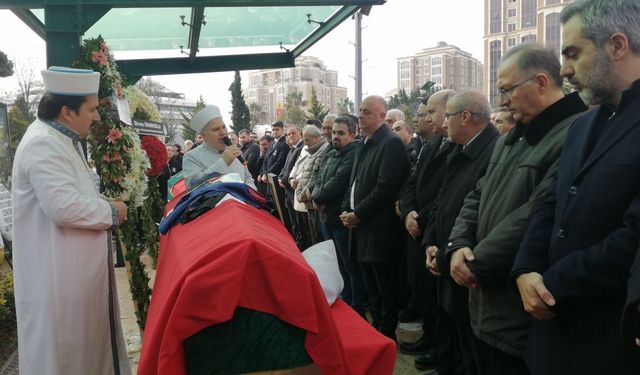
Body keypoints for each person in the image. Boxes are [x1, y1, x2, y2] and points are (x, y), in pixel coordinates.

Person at [512, 1, 640, 374]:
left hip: (608, 340)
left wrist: (550, 284)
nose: (564, 71)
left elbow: (633, 236)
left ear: (617, 45)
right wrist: (525, 269)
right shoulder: (582, 125)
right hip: (551, 333)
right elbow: (550, 201)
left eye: (572, 54)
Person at [446, 43, 587, 375]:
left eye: (507, 90)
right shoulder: (513, 138)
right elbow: (476, 194)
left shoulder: (575, 133)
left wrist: (475, 263)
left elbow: (536, 214)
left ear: (540, 82)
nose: (502, 101)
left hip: (516, 310)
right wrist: (458, 246)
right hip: (483, 302)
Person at [12, 66, 130, 375]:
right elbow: (62, 206)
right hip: (57, 284)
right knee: (66, 361)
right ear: (67, 111)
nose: (96, 117)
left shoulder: (58, 138)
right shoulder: (43, 143)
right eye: (91, 109)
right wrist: (111, 212)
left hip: (70, 277)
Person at [425, 90, 499, 375]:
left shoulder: (494, 151)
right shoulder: (458, 149)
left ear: (465, 117)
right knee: (456, 336)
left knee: (472, 348)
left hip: (466, 263)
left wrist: (447, 252)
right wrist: (431, 242)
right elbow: (442, 202)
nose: (443, 124)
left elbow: (478, 216)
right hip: (446, 256)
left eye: (449, 117)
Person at [341, 95, 409, 341]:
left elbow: (384, 188)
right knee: (371, 288)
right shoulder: (365, 142)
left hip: (380, 230)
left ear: (383, 116)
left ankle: (386, 334)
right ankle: (377, 329)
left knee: (385, 288)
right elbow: (354, 181)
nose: (360, 115)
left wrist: (357, 213)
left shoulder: (390, 143)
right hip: (361, 228)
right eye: (359, 110)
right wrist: (347, 209)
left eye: (367, 111)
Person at [399, 90, 457, 371]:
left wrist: (419, 217)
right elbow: (413, 182)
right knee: (422, 289)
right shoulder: (431, 145)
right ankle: (429, 338)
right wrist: (409, 211)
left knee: (437, 297)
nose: (428, 118)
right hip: (418, 227)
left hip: (431, 228)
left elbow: (446, 194)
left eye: (431, 111)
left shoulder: (456, 146)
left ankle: (439, 349)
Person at [312, 116, 365, 316]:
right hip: (327, 216)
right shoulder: (331, 152)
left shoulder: (353, 154)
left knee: (349, 265)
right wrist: (316, 195)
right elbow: (318, 177)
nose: (335, 136)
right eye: (334, 132)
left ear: (352, 135)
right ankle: (346, 299)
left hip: (340, 219)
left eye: (341, 133)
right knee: (338, 264)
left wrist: (318, 196)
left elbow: (339, 181)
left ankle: (355, 306)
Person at [182, 105, 255, 189]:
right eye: (216, 129)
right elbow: (193, 187)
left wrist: (249, 196)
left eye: (224, 127)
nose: (223, 132)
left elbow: (248, 178)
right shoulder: (191, 157)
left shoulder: (235, 150)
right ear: (204, 135)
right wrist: (223, 162)